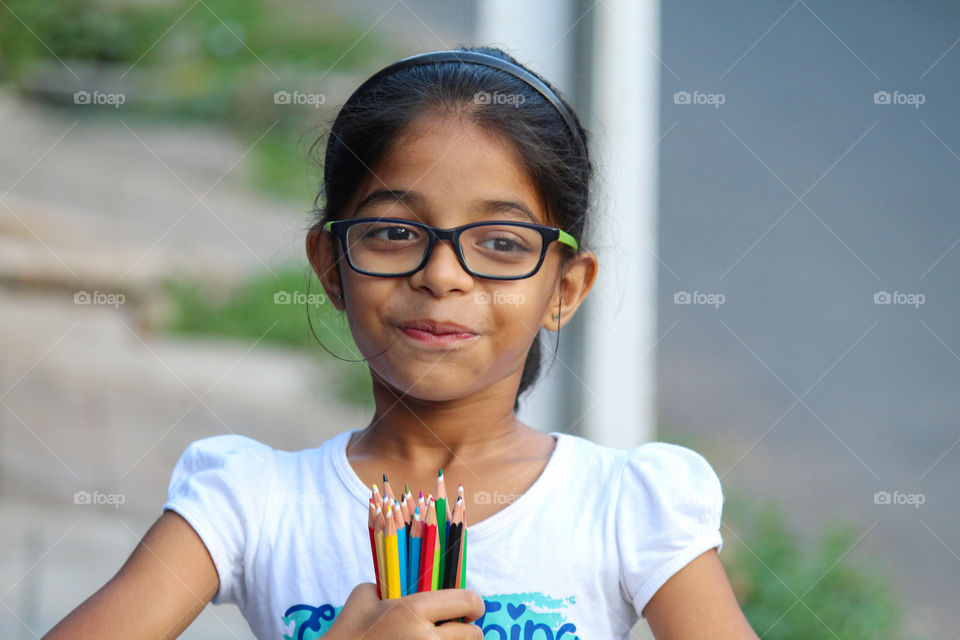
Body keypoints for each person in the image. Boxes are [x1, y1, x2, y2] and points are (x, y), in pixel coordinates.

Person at [43, 46, 758, 640]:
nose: (441, 275)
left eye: (502, 243)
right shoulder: (252, 502)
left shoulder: (621, 507)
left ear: (565, 290)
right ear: (330, 265)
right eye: (393, 233)